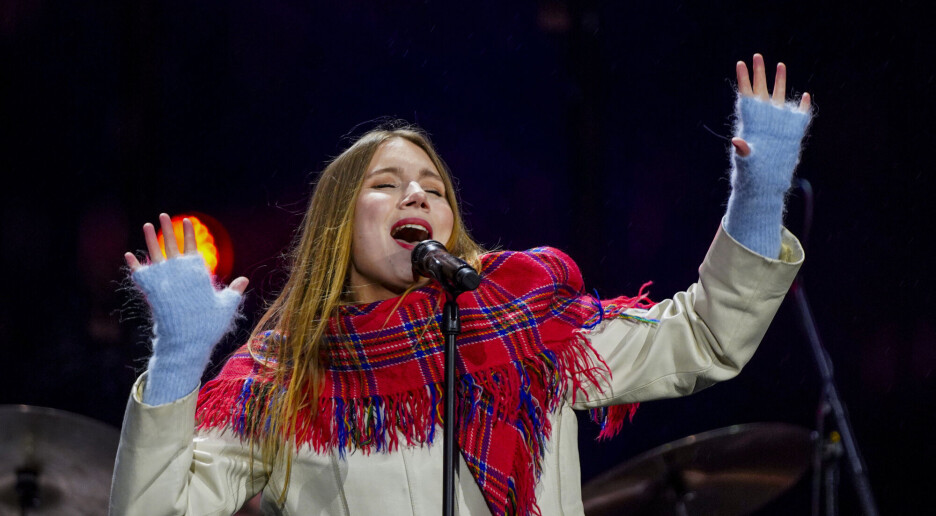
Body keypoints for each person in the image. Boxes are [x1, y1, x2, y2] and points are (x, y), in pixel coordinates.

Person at [110, 54, 812, 515]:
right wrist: (176, 364)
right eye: (385, 186)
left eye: (433, 188)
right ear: (336, 228)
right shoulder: (284, 379)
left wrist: (758, 193)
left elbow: (706, 338)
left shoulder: (533, 331)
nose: (417, 195)